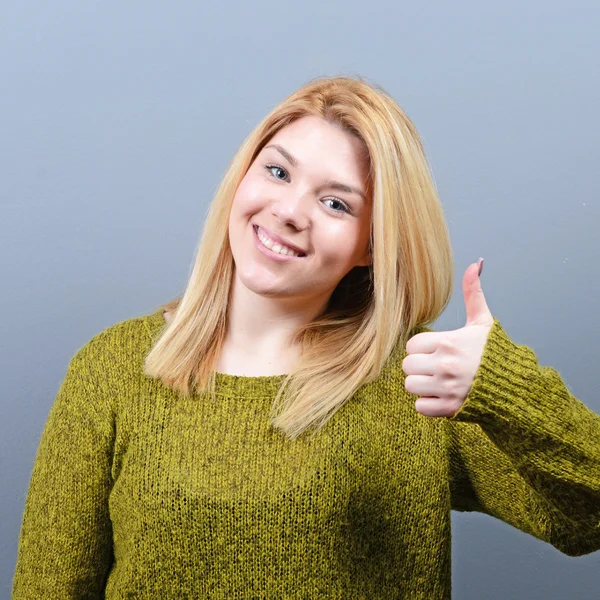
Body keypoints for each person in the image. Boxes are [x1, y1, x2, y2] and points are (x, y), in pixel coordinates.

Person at [12, 75, 600, 599]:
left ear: (372, 246)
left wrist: (504, 387)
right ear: (242, 177)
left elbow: (588, 519)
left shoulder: (418, 381)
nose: (291, 210)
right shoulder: (112, 368)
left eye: (336, 202)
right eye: (277, 170)